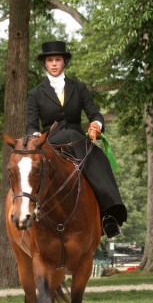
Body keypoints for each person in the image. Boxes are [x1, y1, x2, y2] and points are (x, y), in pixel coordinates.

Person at [26, 41, 127, 238]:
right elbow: (31, 125)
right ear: (45, 64)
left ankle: (109, 215)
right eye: (50, 60)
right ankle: (28, 213)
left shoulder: (79, 88)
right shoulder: (35, 93)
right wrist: (36, 136)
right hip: (52, 142)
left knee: (100, 159)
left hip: (78, 140)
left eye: (57, 60)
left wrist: (96, 125)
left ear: (64, 62)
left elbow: (95, 114)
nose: (54, 63)